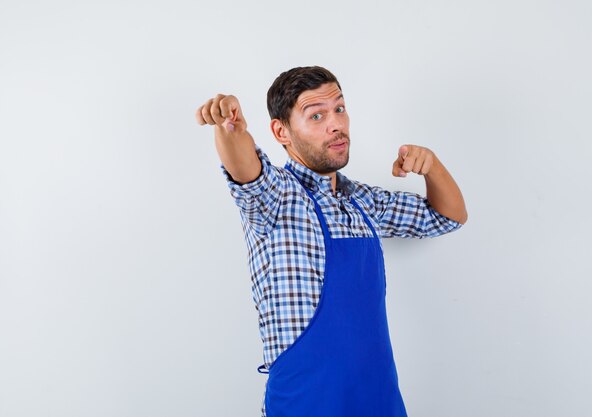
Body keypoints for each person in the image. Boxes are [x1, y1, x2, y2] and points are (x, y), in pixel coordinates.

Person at [195, 66, 467, 417]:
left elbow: (448, 216)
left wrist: (432, 166)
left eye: (339, 109)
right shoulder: (276, 197)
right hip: (306, 403)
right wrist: (228, 125)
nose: (335, 124)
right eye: (317, 115)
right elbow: (243, 164)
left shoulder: (364, 202)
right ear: (282, 132)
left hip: (379, 401)